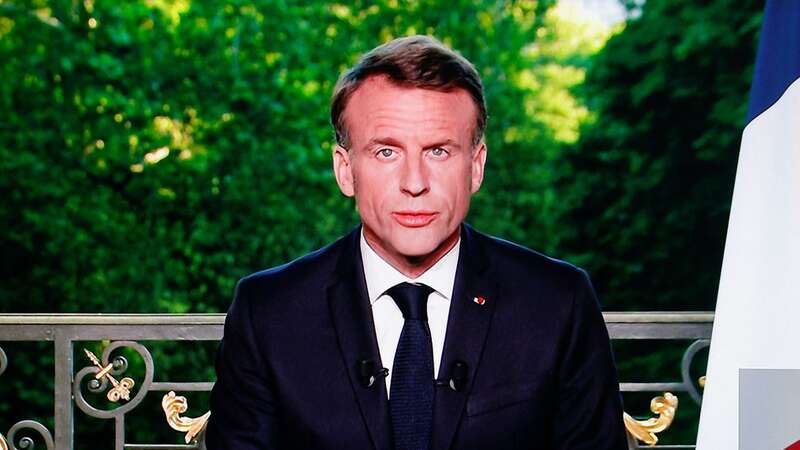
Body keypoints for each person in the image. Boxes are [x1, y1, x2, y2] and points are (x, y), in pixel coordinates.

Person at [205, 35, 627, 450]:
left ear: (475, 167)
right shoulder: (268, 312)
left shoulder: (558, 302)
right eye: (386, 152)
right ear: (345, 170)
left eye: (438, 152)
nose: (414, 183)